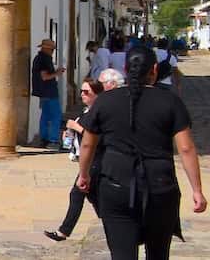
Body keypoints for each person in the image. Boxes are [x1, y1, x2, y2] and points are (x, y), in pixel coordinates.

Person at [77, 45, 207, 258]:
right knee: (158, 254)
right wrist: (197, 190)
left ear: (126, 68)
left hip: (116, 184)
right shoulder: (170, 101)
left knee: (122, 254)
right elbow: (186, 148)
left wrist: (84, 174)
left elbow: (88, 145)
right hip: (160, 186)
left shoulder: (105, 101)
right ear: (154, 69)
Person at [46, 75, 114, 242]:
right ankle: (112, 225)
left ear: (97, 94)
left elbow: (98, 138)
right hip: (89, 160)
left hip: (96, 161)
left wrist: (76, 127)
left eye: (86, 92)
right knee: (95, 197)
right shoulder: (86, 112)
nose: (82, 95)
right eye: (81, 92)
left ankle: (64, 232)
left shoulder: (100, 113)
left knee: (77, 194)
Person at [33, 39, 66, 149]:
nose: (52, 51)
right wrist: (57, 73)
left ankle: (44, 139)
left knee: (45, 116)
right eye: (52, 49)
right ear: (47, 49)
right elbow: (45, 76)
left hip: (43, 92)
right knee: (56, 116)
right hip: (49, 92)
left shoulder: (39, 58)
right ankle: (53, 140)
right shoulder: (44, 59)